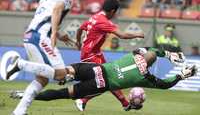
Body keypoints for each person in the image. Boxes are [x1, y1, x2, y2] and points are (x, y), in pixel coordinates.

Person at [6, 47, 197, 111]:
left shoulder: (134, 54)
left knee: (57, 73)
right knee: (60, 94)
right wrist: (181, 75)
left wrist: (168, 54)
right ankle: (24, 95)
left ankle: (22, 64)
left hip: (93, 69)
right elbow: (165, 85)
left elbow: (151, 50)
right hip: (100, 83)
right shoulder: (145, 78)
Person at [7, 0, 76, 115]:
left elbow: (46, 16)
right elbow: (57, 9)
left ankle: (19, 111)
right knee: (61, 75)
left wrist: (59, 34)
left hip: (31, 35)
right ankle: (20, 64)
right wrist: (54, 33)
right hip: (41, 37)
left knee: (42, 79)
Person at [75, 0, 144, 111]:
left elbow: (80, 28)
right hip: (91, 54)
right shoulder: (103, 22)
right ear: (112, 11)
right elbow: (122, 35)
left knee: (110, 78)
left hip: (93, 53)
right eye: (115, 12)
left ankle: (125, 104)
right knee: (106, 82)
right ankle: (82, 100)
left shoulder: (95, 16)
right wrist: (138, 34)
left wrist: (78, 42)